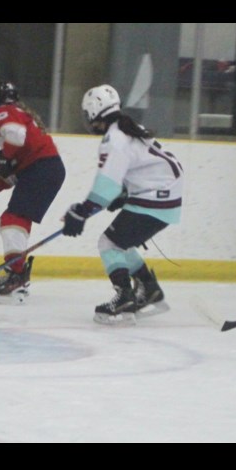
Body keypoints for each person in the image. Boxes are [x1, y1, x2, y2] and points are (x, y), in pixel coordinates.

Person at [62, 84, 183, 325]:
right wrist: (125, 192)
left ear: (95, 112)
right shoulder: (128, 128)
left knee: (109, 243)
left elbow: (106, 187)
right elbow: (141, 166)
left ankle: (124, 297)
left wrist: (81, 213)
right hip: (165, 196)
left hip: (155, 197)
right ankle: (149, 289)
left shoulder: (114, 138)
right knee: (122, 243)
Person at [0, 80, 66, 304]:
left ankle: (16, 277)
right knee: (16, 218)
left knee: (12, 218)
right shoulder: (22, 115)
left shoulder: (4, 111)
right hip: (46, 169)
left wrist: (4, 158)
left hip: (42, 169)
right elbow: (12, 173)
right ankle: (16, 274)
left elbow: (15, 138)